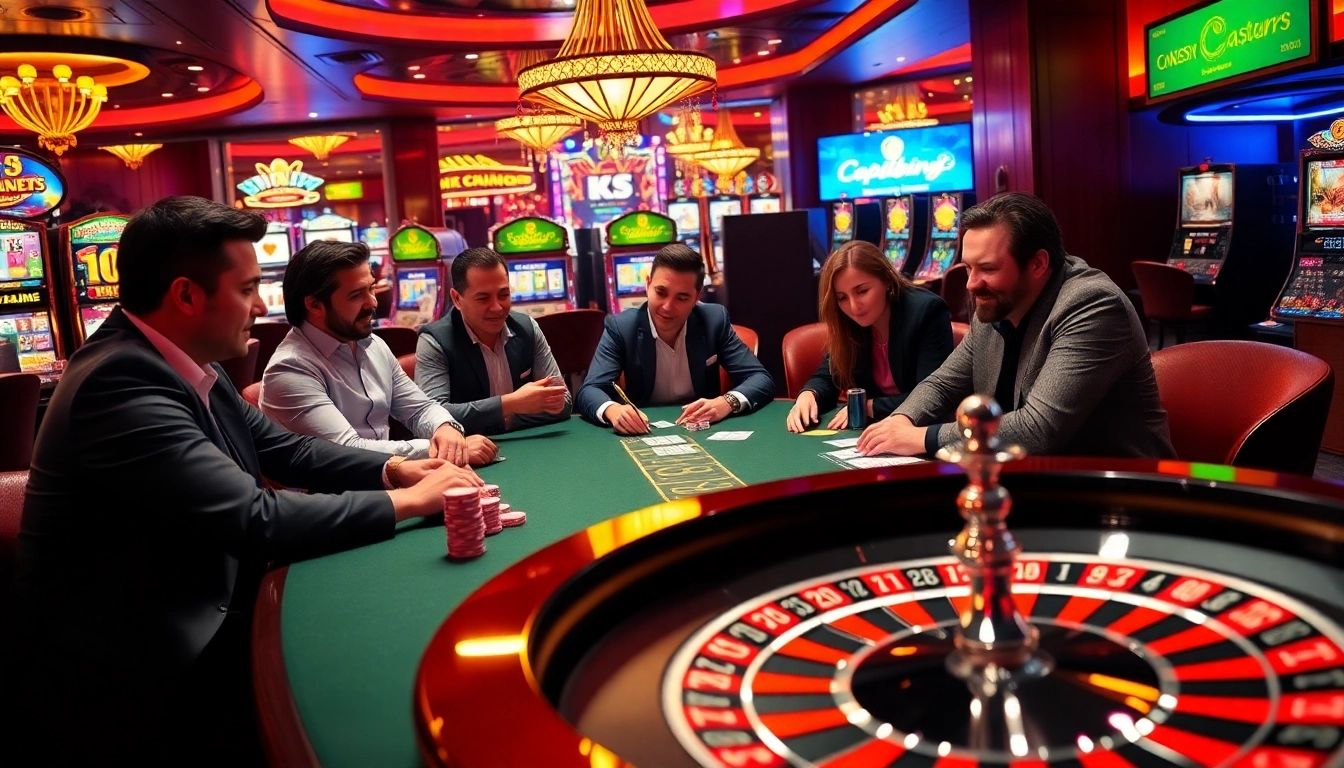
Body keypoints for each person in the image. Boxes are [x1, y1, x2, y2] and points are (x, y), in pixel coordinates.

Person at [5, 196, 482, 765]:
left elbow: (285, 448)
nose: (260, 306)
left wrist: (393, 468)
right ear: (186, 295)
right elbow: (254, 517)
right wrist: (410, 501)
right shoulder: (120, 382)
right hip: (131, 683)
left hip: (196, 617)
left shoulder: (186, 362)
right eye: (248, 288)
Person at [856, 192, 1175, 459]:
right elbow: (942, 384)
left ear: (1038, 263)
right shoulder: (996, 303)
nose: (971, 284)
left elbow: (1038, 429)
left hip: (1119, 489)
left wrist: (923, 437)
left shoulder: (1092, 305)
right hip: (1031, 481)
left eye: (988, 268)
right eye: (967, 267)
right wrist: (899, 422)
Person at [260, 240, 497, 465]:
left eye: (371, 288)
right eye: (356, 295)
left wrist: (445, 428)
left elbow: (420, 409)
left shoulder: (372, 344)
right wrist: (438, 450)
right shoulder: (290, 369)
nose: (373, 302)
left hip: (388, 479)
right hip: (332, 491)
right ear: (314, 305)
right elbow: (347, 450)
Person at [576, 243, 775, 434]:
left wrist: (727, 402)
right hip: (645, 432)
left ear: (696, 297)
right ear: (648, 284)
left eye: (681, 298)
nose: (667, 307)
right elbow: (589, 390)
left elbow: (760, 378)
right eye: (660, 292)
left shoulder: (714, 321)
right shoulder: (621, 327)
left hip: (703, 431)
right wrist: (613, 410)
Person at [786, 240, 954, 433]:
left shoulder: (926, 312)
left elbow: (932, 396)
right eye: (842, 297)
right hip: (874, 431)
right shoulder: (850, 323)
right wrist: (809, 394)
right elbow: (829, 375)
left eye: (862, 291)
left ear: (887, 280)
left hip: (922, 432)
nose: (853, 306)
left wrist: (868, 406)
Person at [415, 247, 572, 434]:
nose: (497, 307)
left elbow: (562, 402)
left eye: (504, 295)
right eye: (483, 298)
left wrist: (505, 421)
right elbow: (430, 418)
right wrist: (512, 403)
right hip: (468, 450)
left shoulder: (527, 328)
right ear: (457, 299)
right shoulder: (435, 341)